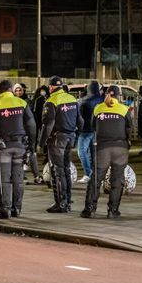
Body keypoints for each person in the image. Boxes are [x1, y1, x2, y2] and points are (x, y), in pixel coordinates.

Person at [0, 80, 36, 218]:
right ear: (11, 90)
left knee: (4, 179)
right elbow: (32, 126)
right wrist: (32, 145)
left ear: (0, 91)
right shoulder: (22, 103)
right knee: (18, 179)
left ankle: (5, 209)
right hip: (20, 146)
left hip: (4, 147)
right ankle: (17, 209)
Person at [81, 85, 132, 219]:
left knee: (96, 179)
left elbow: (93, 126)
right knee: (117, 180)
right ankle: (113, 210)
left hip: (102, 148)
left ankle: (90, 209)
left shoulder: (98, 109)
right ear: (119, 96)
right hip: (120, 148)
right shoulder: (124, 109)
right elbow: (129, 129)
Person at [39, 75, 83, 213]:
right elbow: (80, 121)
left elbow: (48, 124)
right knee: (66, 169)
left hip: (57, 139)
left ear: (51, 87)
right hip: (70, 137)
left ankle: (61, 203)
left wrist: (41, 142)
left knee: (58, 172)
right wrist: (77, 135)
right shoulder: (72, 99)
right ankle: (68, 200)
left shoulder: (51, 101)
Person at [76, 81, 103, 183]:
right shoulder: (102, 100)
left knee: (82, 152)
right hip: (96, 129)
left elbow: (79, 117)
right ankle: (94, 174)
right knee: (93, 153)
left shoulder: (82, 101)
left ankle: (88, 173)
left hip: (85, 130)